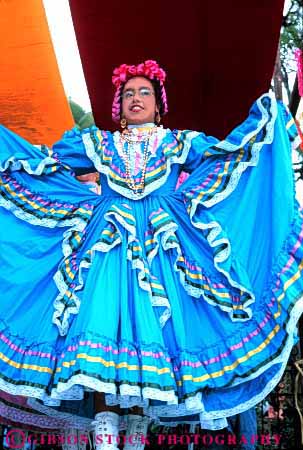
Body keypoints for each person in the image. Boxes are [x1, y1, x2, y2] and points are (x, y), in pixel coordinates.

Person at [0, 60, 302, 450]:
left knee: (153, 339)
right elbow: (48, 163)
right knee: (101, 329)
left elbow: (227, 157)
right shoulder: (99, 143)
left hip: (161, 247)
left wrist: (267, 122)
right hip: (106, 245)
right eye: (128, 94)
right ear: (118, 107)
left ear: (159, 104)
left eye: (144, 92)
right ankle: (105, 429)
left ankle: (136, 434)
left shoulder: (180, 142)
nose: (136, 99)